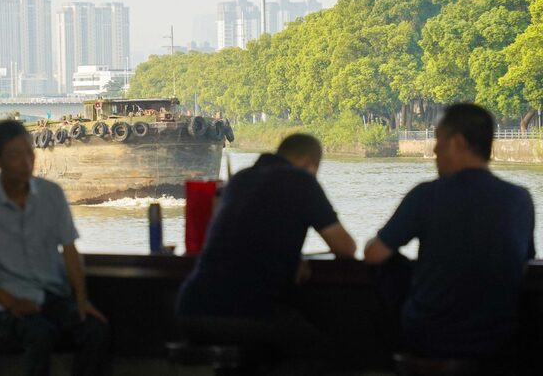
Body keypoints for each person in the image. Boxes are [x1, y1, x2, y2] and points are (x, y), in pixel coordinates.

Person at [364, 104, 535, 361]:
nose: (434, 150)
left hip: (429, 336)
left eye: (438, 139)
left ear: (457, 143)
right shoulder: (519, 199)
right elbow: (524, 263)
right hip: (498, 338)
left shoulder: (427, 194)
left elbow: (374, 254)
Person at [176, 133, 356, 375]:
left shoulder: (240, 180)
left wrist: (291, 258)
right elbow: (345, 248)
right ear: (309, 163)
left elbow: (238, 240)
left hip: (191, 307)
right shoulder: (301, 179)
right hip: (247, 312)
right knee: (327, 349)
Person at [0, 120, 109, 376]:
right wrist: (11, 302)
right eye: (16, 155)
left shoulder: (52, 194)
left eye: (30, 153)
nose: (27, 162)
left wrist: (82, 300)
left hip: (52, 296)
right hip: (1, 306)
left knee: (95, 330)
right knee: (40, 333)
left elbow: (70, 250)